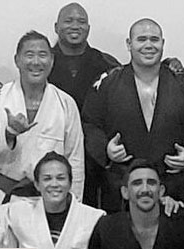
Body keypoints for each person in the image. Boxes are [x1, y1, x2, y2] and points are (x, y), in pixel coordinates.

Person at [81, 18, 184, 211]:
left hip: (170, 183)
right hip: (121, 184)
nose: (149, 45)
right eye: (141, 39)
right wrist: (105, 150)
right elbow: (89, 124)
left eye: (154, 39)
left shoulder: (183, 84)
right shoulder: (107, 83)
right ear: (129, 44)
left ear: (163, 43)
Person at [0, 30, 84, 203]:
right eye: (29, 55)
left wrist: (73, 203)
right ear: (17, 60)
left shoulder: (65, 103)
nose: (36, 62)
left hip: (50, 198)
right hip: (3, 195)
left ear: (52, 60)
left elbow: (75, 159)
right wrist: (8, 134)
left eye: (42, 55)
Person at [48, 3, 120, 206]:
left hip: (96, 157)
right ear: (56, 27)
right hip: (52, 149)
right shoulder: (42, 63)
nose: (75, 26)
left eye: (81, 21)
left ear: (88, 28)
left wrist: (167, 64)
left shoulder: (106, 64)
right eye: (68, 21)